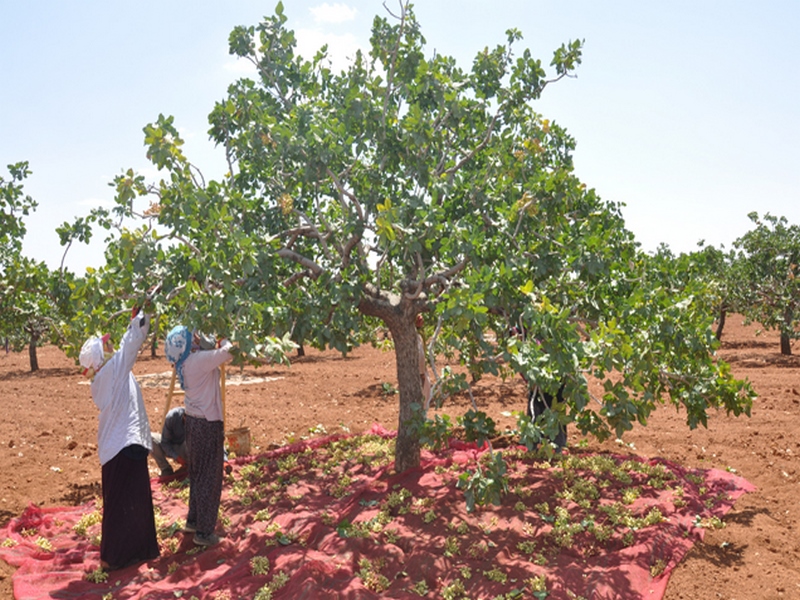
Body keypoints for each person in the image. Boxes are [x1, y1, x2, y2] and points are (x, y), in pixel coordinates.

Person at [79, 313, 160, 571]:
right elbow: (132, 342)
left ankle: (132, 552)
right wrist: (140, 317)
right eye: (105, 345)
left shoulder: (102, 377)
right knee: (131, 501)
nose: (110, 345)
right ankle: (114, 557)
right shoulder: (114, 369)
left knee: (124, 500)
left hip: (118, 446)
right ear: (101, 355)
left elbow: (126, 347)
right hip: (126, 443)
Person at [165, 326, 233, 547]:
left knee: (198, 474)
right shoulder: (198, 361)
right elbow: (229, 353)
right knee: (209, 478)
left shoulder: (186, 362)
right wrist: (224, 338)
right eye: (193, 336)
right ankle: (204, 533)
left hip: (194, 423)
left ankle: (194, 521)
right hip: (206, 424)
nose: (198, 337)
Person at [151, 406, 189, 477]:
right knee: (151, 439)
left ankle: (190, 468)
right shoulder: (172, 417)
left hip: (186, 449)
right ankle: (166, 469)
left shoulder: (198, 422)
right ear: (184, 416)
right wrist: (177, 457)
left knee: (190, 443)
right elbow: (165, 442)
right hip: (172, 446)